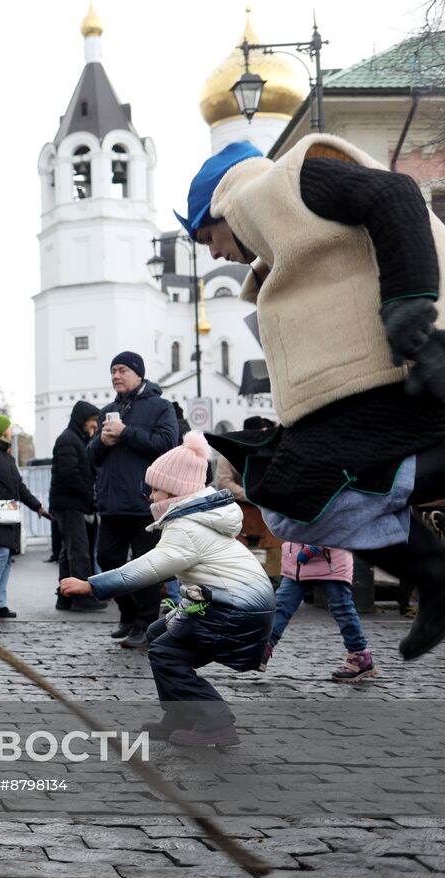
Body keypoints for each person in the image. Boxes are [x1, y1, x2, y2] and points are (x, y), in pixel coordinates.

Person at [182, 137, 445, 661]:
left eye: (205, 233)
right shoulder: (281, 243)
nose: (211, 251)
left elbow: (395, 193)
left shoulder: (285, 184)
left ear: (222, 203)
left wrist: (408, 304)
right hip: (370, 386)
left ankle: (437, 578)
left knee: (297, 489)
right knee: (292, 501)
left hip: (412, 362)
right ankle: (437, 579)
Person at [61, 432, 274, 748]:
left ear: (175, 491)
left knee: (165, 652)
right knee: (158, 634)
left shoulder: (186, 527)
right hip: (237, 607)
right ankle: (181, 713)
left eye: (155, 488)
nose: (148, 496)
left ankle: (216, 722)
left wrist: (92, 585)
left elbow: (149, 568)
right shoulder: (198, 518)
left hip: (233, 610)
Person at [88, 351, 180, 646]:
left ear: (138, 374)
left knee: (144, 568)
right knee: (108, 560)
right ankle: (128, 615)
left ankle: (146, 625)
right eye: (112, 370)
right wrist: (101, 442)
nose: (116, 375)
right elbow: (92, 457)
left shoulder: (160, 407)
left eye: (122, 370)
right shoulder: (107, 411)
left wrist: (127, 432)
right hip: (112, 503)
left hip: (144, 503)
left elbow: (167, 444)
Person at [0, 413, 51, 618]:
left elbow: (19, 487)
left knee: (5, 557)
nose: (11, 430)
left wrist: (37, 506)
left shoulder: (5, 455)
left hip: (7, 514)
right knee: (2, 553)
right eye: (9, 427)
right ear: (1, 430)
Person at [263, 542, 378, 682]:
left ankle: (359, 656)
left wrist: (314, 547)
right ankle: (263, 648)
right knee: (281, 605)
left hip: (330, 561)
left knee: (342, 609)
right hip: (298, 562)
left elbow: (338, 523)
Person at [49, 401, 106, 613]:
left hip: (68, 503)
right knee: (78, 549)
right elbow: (69, 473)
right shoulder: (68, 440)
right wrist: (86, 493)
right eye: (92, 421)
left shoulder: (76, 439)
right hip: (69, 504)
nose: (94, 425)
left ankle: (65, 595)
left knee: (69, 551)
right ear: (83, 420)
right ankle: (81, 597)